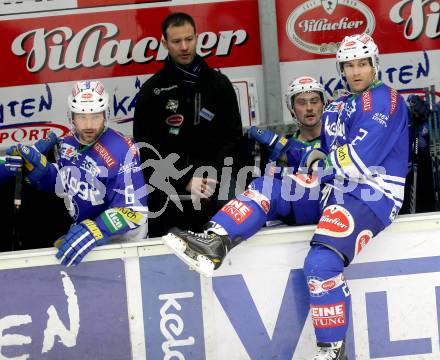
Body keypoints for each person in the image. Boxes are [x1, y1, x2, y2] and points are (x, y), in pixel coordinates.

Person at [163, 33, 409, 360]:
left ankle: (332, 350)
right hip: (334, 185)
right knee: (269, 184)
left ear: (374, 64)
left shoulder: (386, 100)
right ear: (340, 68)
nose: (356, 71)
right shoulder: (336, 105)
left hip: (372, 193)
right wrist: (286, 149)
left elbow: (358, 161)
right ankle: (215, 242)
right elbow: (322, 158)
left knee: (321, 263)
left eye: (362, 63)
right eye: (349, 65)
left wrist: (307, 160)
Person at [163, 75, 326, 271]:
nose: (309, 108)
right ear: (292, 107)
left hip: (328, 211)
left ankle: (215, 242)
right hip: (287, 232)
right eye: (301, 102)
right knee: (260, 190)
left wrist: (285, 149)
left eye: (315, 101)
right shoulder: (275, 146)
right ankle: (214, 240)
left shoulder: (334, 136)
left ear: (324, 104)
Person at [9, 80, 148, 266]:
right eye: (82, 117)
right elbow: (66, 182)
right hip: (85, 238)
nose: (89, 125)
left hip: (125, 246)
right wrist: (44, 174)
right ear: (71, 117)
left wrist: (96, 229)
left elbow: (134, 211)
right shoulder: (67, 143)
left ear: (106, 115)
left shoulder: (124, 150)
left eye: (95, 116)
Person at [133, 12, 243, 238]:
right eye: (176, 41)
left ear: (197, 37)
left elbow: (232, 138)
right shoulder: (152, 91)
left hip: (216, 177)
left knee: (234, 203)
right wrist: (184, 180)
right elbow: (145, 148)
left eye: (189, 39)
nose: (184, 46)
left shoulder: (218, 84)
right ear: (164, 43)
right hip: (171, 181)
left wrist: (210, 176)